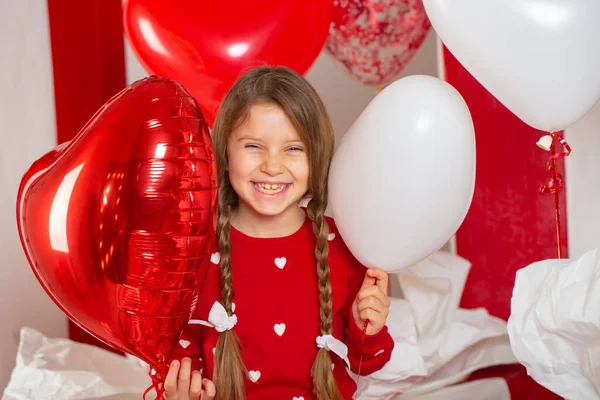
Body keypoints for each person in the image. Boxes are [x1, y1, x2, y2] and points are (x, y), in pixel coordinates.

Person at [163, 66, 394, 400]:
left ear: (317, 156)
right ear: (225, 154)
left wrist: (367, 328)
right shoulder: (197, 254)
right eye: (254, 146)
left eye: (294, 149)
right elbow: (178, 362)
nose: (273, 165)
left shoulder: (342, 247)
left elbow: (368, 363)